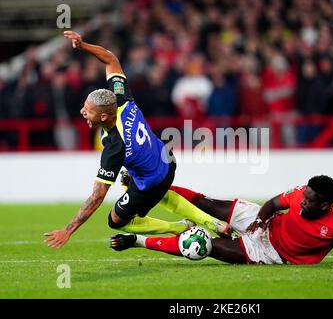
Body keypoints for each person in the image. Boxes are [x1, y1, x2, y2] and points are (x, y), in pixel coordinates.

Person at [44, 31, 231, 249]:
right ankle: (214, 223)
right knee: (143, 186)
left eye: (88, 111)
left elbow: (96, 197)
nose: (82, 112)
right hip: (166, 158)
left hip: (153, 178)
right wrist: (83, 45)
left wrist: (68, 230)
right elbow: (111, 59)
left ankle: (179, 228)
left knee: (116, 220)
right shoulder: (122, 99)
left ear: (104, 116)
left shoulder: (115, 146)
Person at [111, 175, 333, 265]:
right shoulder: (298, 194)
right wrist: (259, 220)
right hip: (265, 224)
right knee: (207, 202)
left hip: (271, 253)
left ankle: (137, 240)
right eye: (305, 195)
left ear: (326, 205)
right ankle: (148, 187)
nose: (303, 202)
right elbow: (272, 203)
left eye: (310, 201)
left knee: (202, 247)